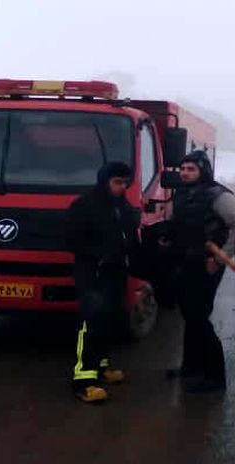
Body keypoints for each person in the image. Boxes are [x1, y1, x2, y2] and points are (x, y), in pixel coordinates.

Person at [167, 149, 235, 393]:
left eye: (191, 169)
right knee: (189, 315)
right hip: (185, 260)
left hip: (208, 263)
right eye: (183, 169)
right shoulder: (181, 193)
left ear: (203, 170)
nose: (185, 173)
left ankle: (214, 376)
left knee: (199, 315)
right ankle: (191, 366)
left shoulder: (218, 196)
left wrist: (220, 258)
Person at [63, 161, 140, 403]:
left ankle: (101, 366)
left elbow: (129, 233)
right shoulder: (84, 205)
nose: (121, 187)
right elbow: (71, 239)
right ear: (104, 180)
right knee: (91, 323)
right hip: (92, 273)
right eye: (117, 182)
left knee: (110, 320)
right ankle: (83, 380)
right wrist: (99, 254)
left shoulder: (122, 205)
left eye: (124, 183)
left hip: (115, 272)